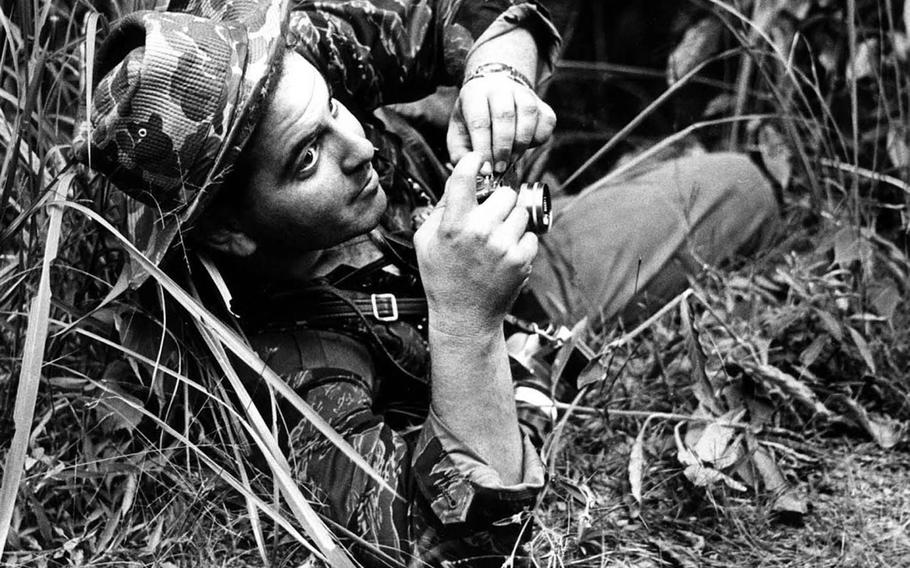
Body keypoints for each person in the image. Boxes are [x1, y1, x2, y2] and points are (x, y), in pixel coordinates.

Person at [74, 0, 778, 565]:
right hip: (478, 345)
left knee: (746, 188)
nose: (360, 145)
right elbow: (443, 539)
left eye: (333, 106)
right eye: (308, 157)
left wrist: (496, 78)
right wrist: (468, 321)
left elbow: (475, 15)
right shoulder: (291, 370)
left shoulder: (287, 64)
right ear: (231, 232)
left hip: (526, 278)